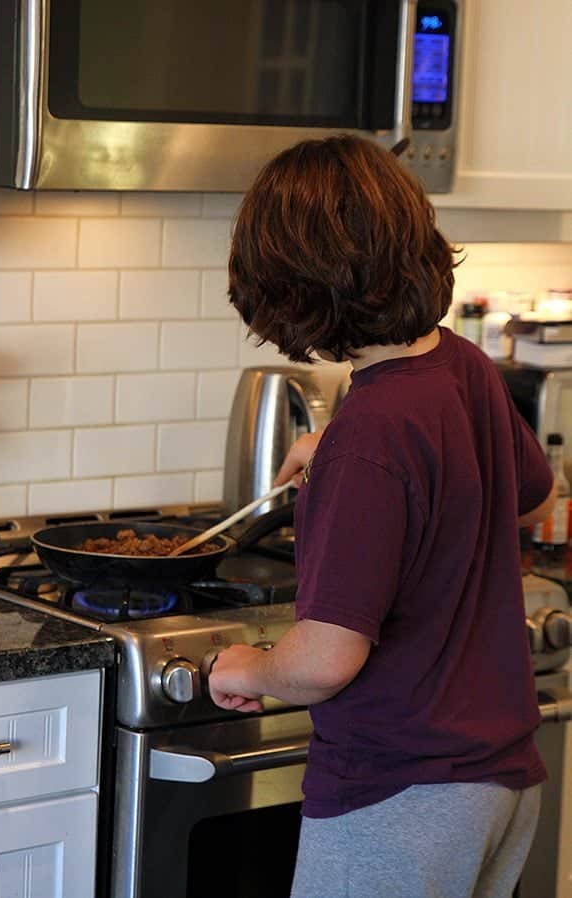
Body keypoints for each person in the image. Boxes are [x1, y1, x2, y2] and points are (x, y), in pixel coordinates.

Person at [207, 134, 557, 898]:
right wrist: (353, 449)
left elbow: (326, 660)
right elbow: (536, 496)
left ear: (290, 282)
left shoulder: (370, 437)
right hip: (501, 781)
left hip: (401, 793)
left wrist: (249, 667)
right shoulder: (459, 365)